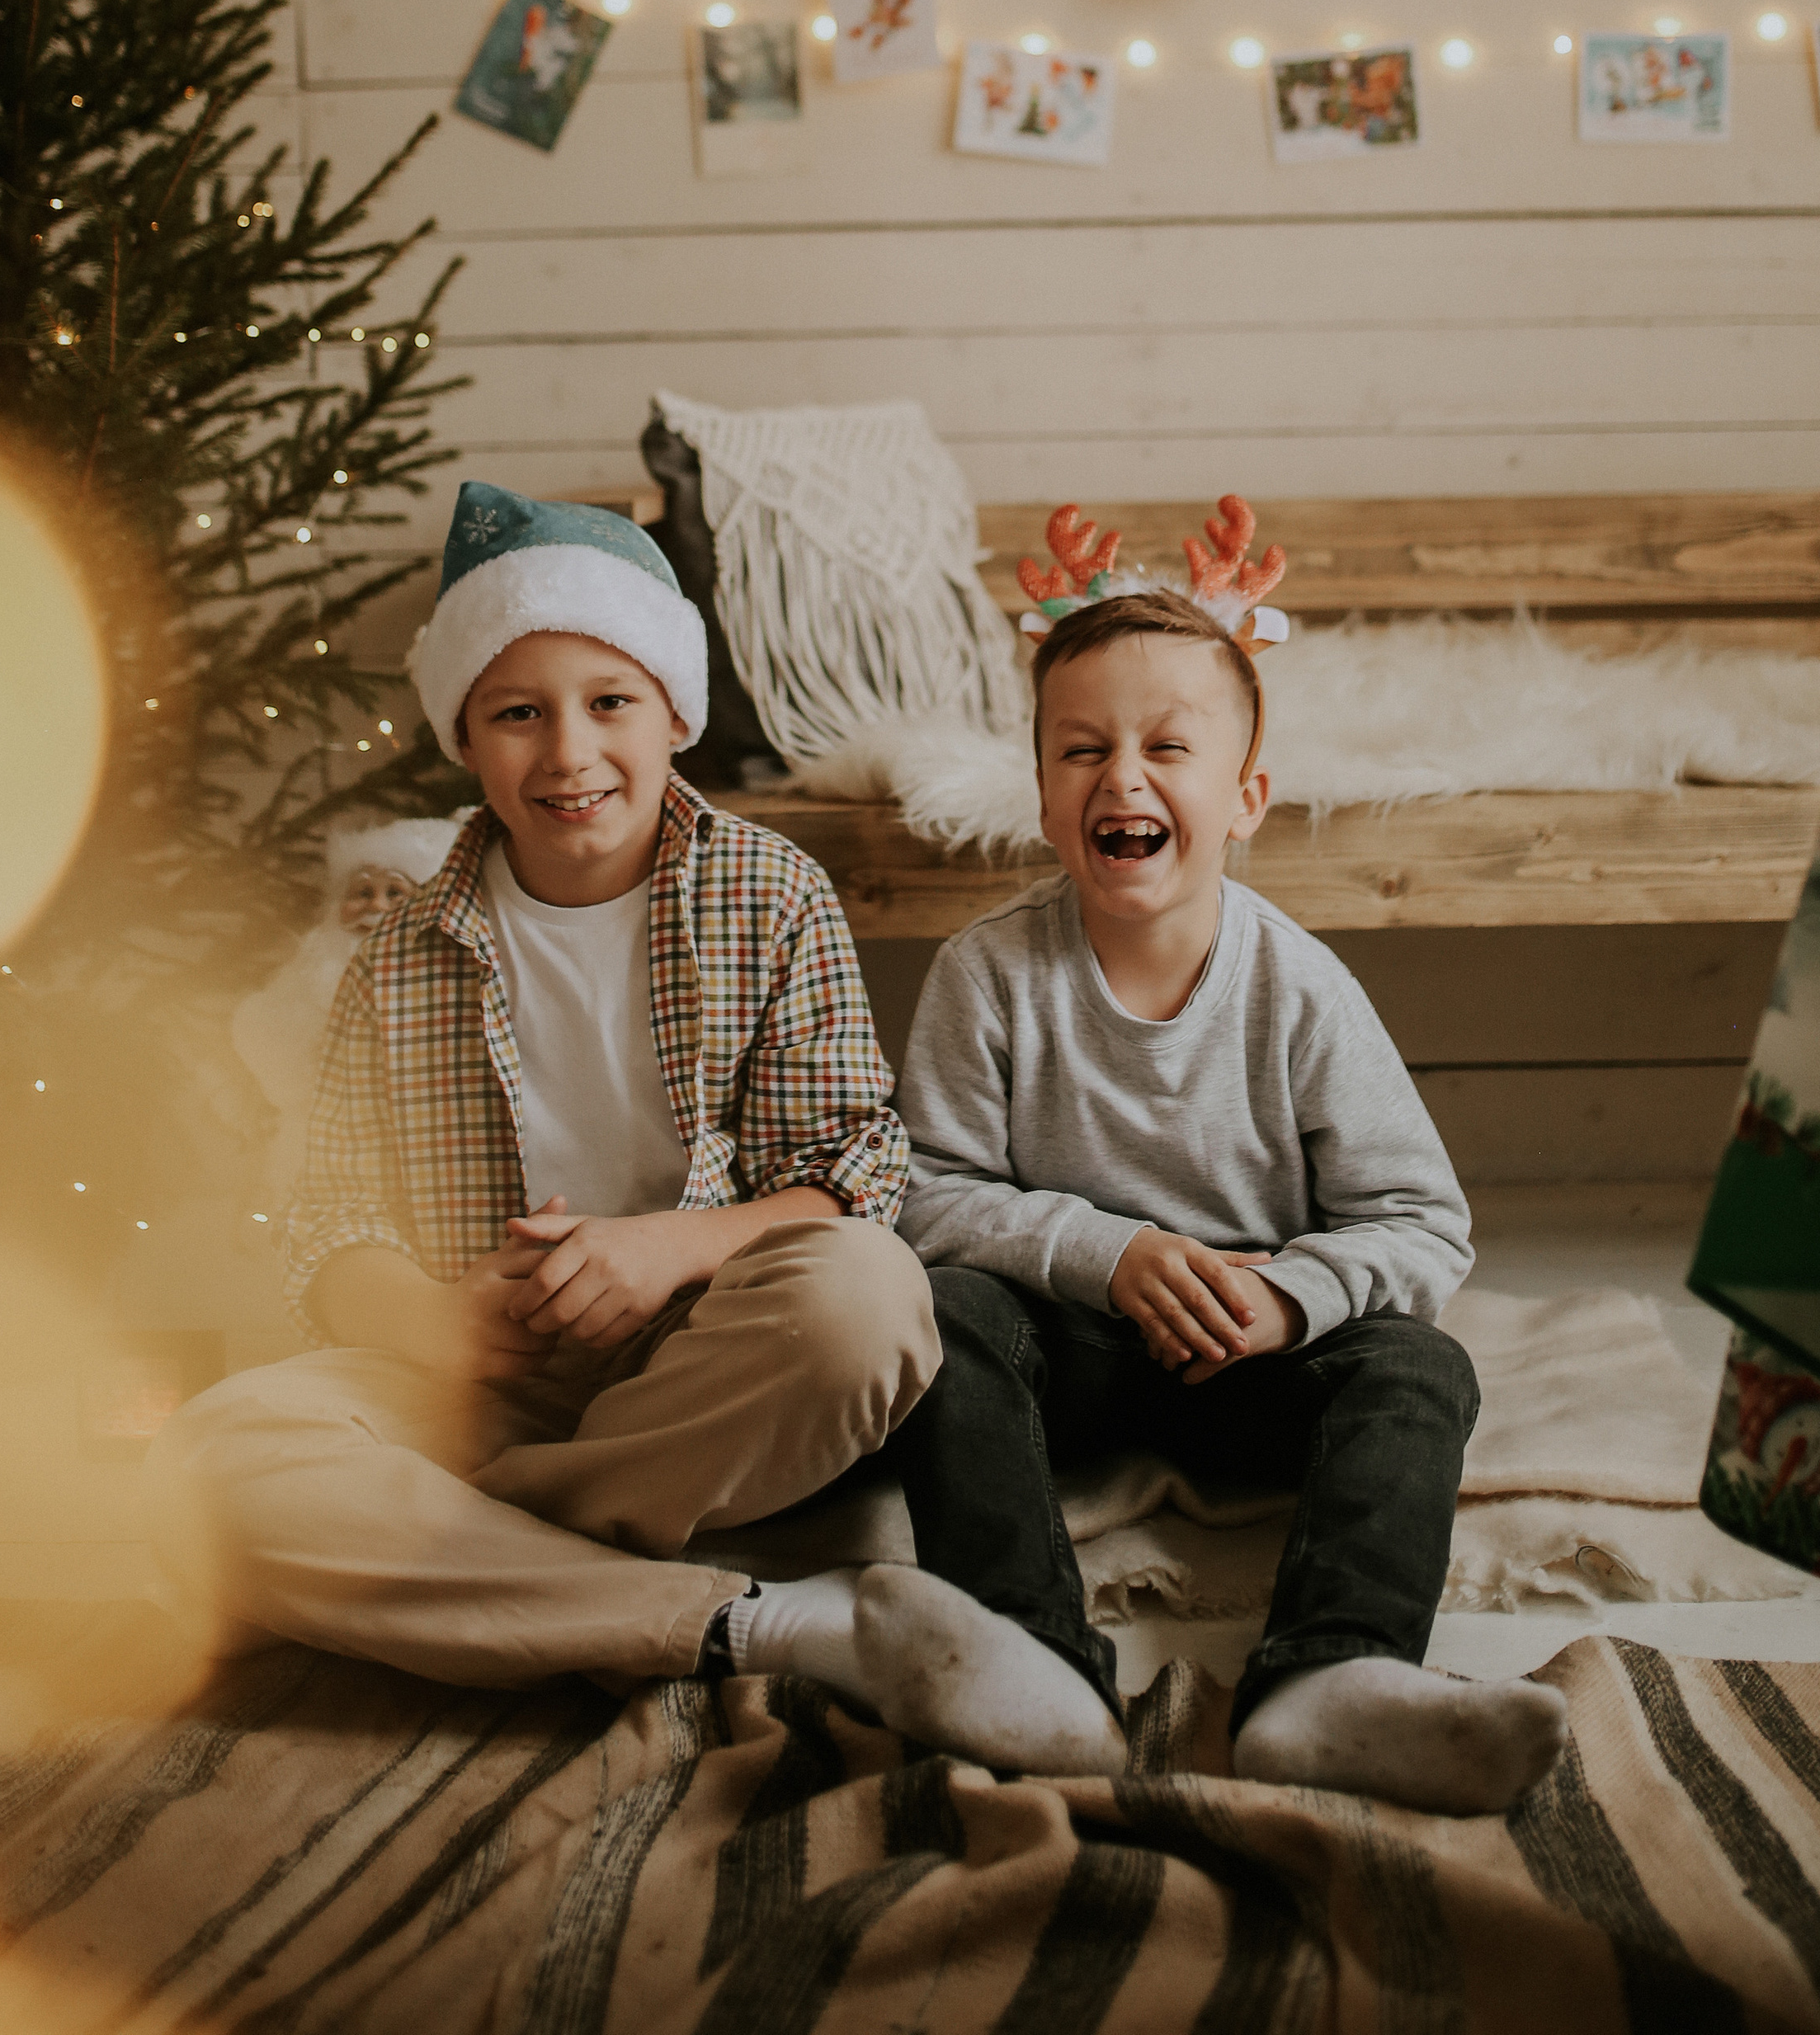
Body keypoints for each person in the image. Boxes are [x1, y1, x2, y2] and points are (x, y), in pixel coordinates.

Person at [148, 483, 941, 1712]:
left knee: (868, 1302)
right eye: (519, 714)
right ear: (466, 739)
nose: (569, 755)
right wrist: (432, 1326)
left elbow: (852, 1175)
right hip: (475, 1385)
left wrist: (668, 1248)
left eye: (609, 703)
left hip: (701, 1366)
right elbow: (331, 1221)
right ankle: (745, 1618)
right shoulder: (402, 952)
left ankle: (472, 1559)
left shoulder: (771, 897)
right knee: (204, 1468)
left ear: (674, 714)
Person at [881, 586, 1571, 1810]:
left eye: (1167, 749)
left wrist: (1293, 1301)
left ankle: (1331, 1679)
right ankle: (1028, 1658)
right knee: (942, 1313)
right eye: (1083, 750)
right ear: (1041, 795)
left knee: (1419, 1368)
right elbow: (924, 1195)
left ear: (1246, 796)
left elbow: (1421, 1223)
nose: (1122, 779)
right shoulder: (987, 976)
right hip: (1073, 1345)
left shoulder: (1301, 990)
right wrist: (1109, 1252)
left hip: (1250, 1354)